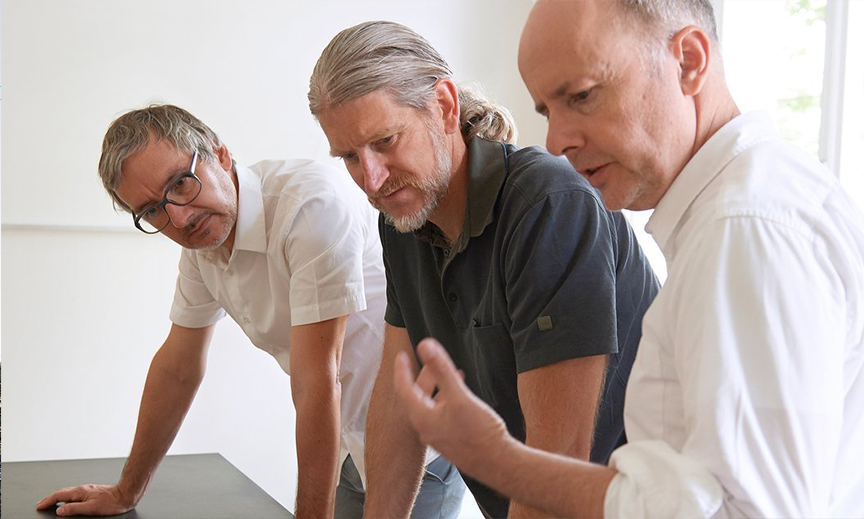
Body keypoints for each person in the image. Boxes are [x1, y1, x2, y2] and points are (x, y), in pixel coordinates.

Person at [393, 0, 864, 517]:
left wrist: (499, 459)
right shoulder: (746, 208)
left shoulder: (745, 228)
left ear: (688, 61)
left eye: (582, 96)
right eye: (548, 111)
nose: (556, 142)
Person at [35, 104, 462, 519]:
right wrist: (127, 490)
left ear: (220, 154)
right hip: (348, 448)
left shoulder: (311, 205)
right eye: (151, 211)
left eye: (181, 184)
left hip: (422, 448)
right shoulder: (202, 247)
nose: (179, 218)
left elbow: (318, 379)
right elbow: (177, 367)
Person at [308, 21, 659, 519]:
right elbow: (398, 391)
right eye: (349, 156)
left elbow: (552, 466)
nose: (372, 178)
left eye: (385, 141)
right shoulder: (403, 219)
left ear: (445, 106)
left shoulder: (547, 206)